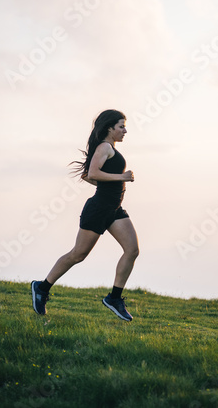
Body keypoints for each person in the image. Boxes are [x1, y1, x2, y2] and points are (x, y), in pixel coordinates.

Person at [31, 109, 139, 321]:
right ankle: (42, 288)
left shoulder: (110, 149)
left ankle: (114, 298)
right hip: (99, 209)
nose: (125, 130)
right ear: (110, 128)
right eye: (121, 126)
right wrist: (122, 176)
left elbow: (88, 176)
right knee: (78, 255)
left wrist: (113, 179)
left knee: (132, 250)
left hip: (114, 209)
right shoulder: (104, 147)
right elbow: (93, 173)